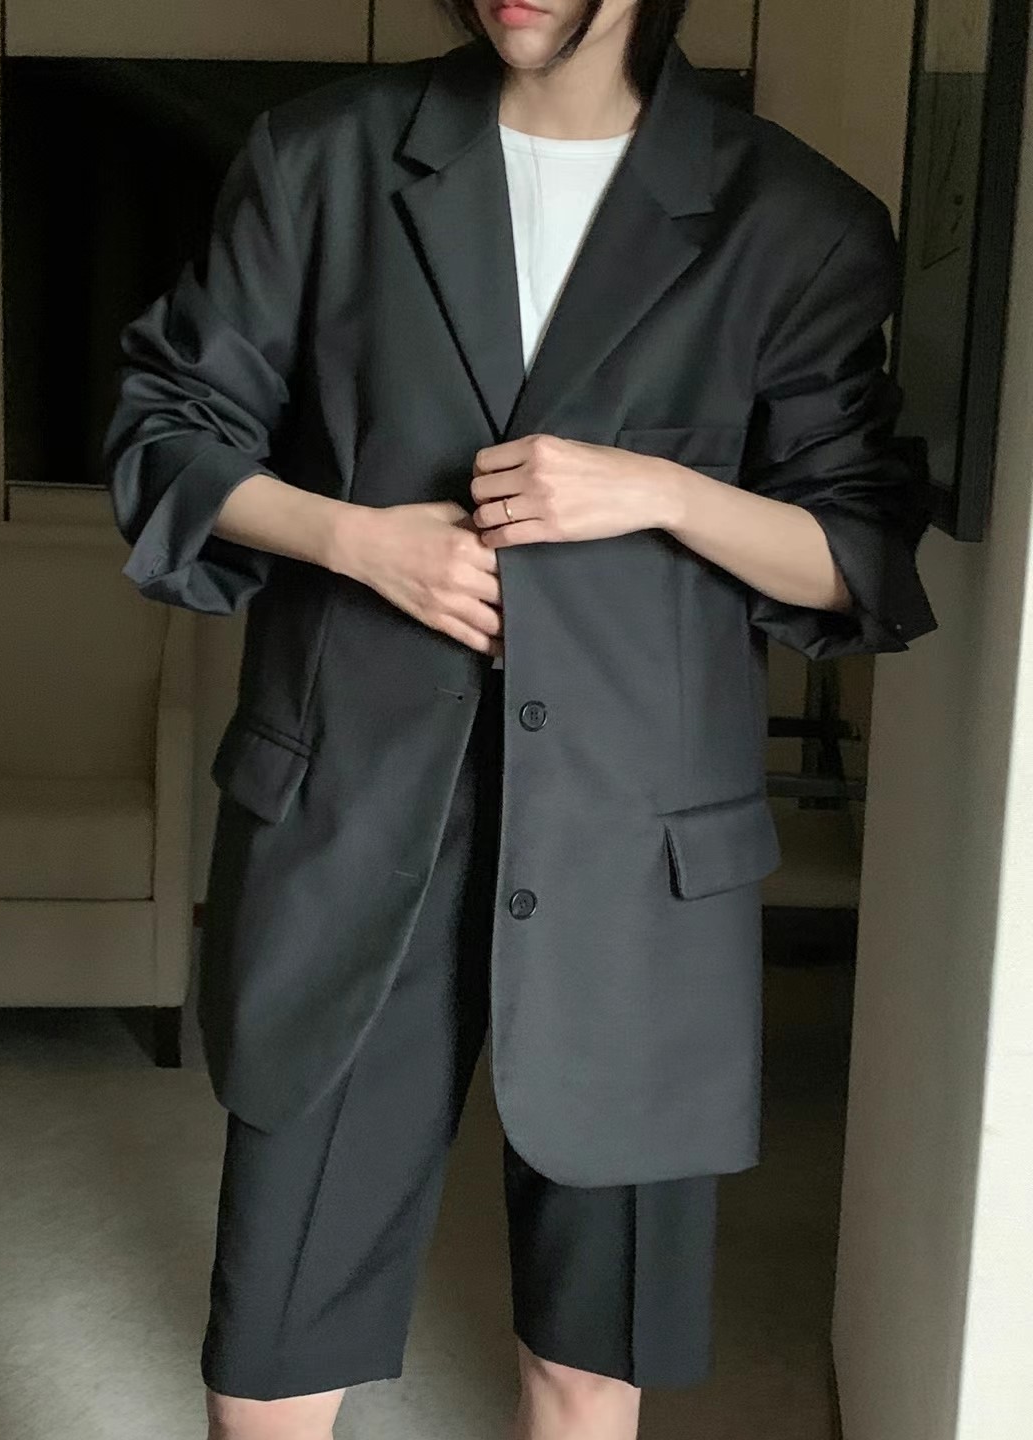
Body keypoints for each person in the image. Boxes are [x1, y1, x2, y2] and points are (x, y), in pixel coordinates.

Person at [102, 1, 938, 1437]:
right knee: (272, 1349)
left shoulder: (793, 216)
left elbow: (860, 555)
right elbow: (164, 433)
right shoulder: (323, 159)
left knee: (585, 1365)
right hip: (350, 820)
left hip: (638, 868)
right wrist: (360, 541)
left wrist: (658, 489)